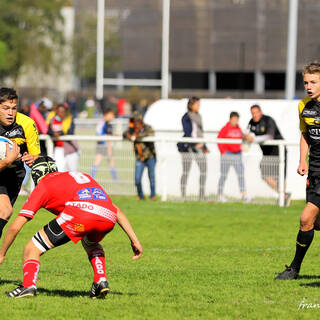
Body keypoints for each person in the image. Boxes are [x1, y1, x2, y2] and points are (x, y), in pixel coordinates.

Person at [0, 156, 143, 298]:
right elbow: (116, 210)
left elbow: (16, 226)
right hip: (107, 215)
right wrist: (134, 240)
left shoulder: (44, 185)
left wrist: (2, 253)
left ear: (37, 175)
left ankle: (28, 286)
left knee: (32, 248)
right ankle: (100, 280)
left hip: (80, 214)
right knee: (90, 242)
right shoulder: (80, 175)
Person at [275, 62, 320, 280]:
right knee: (313, 223)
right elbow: (305, 134)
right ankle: (295, 269)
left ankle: (294, 269)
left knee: (305, 218)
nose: (308, 86)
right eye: (305, 82)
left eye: (313, 82)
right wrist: (302, 159)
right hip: (314, 170)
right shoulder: (304, 105)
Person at [0, 88, 40, 240]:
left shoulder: (27, 124)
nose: (10, 113)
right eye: (5, 108)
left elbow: (36, 155)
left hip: (14, 175)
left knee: (4, 215)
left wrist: (33, 159)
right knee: (4, 211)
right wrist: (6, 160)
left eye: (13, 108)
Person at [243, 104, 291, 205]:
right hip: (267, 153)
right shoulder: (251, 123)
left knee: (281, 176)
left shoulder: (268, 120)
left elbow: (270, 136)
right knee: (265, 175)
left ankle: (283, 198)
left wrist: (254, 139)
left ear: (260, 112)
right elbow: (246, 134)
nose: (254, 115)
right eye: (253, 113)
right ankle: (284, 195)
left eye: (256, 112)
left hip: (279, 151)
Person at [177, 97, 208, 200]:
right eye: (197, 104)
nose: (199, 106)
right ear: (191, 105)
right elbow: (188, 132)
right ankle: (183, 194)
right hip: (188, 147)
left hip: (199, 146)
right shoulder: (186, 117)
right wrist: (194, 145)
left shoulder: (199, 116)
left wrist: (204, 146)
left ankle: (202, 195)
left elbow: (200, 133)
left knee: (203, 170)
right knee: (186, 171)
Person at [123, 111, 156, 200]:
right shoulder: (131, 129)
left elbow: (151, 134)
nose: (135, 123)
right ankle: (141, 196)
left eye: (136, 121)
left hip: (150, 157)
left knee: (151, 177)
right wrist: (130, 136)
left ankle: (153, 196)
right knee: (137, 179)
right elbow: (125, 134)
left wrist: (136, 136)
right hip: (139, 158)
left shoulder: (147, 127)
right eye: (133, 121)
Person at [217, 112, 248, 202]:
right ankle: (220, 194)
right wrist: (223, 152)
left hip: (237, 155)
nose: (235, 121)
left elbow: (243, 139)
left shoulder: (239, 129)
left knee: (241, 175)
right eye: (234, 119)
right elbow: (219, 140)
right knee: (223, 175)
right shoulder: (225, 128)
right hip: (227, 154)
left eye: (237, 119)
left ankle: (244, 195)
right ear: (230, 119)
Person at [47, 103, 79, 171]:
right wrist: (53, 133)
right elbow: (47, 130)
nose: (61, 114)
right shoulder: (52, 120)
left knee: (72, 172)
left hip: (70, 150)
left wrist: (59, 133)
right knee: (59, 170)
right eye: (59, 112)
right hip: (58, 149)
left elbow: (70, 131)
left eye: (63, 112)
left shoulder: (69, 119)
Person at [91, 109, 118, 181]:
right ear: (107, 115)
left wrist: (115, 135)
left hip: (101, 145)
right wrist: (109, 148)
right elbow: (107, 136)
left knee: (100, 162)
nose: (113, 117)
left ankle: (92, 178)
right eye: (111, 115)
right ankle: (116, 180)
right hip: (105, 145)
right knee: (108, 162)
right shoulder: (106, 124)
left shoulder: (102, 123)